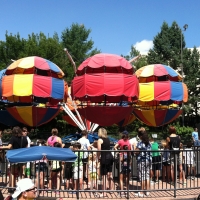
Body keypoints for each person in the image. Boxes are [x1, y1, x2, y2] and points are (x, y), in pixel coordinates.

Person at [1, 126, 28, 190]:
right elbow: (26, 147)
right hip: (23, 157)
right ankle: (22, 188)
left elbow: (9, 147)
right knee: (22, 173)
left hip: (15, 157)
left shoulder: (13, 138)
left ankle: (12, 187)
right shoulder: (24, 138)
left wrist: (2, 147)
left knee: (13, 172)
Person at [97, 127, 114, 198]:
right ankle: (112, 189)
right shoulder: (108, 139)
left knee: (104, 176)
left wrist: (98, 158)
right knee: (110, 174)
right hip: (110, 156)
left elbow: (99, 150)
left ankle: (104, 193)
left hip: (104, 158)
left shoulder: (100, 140)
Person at [135, 130, 152, 197]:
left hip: (142, 161)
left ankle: (141, 192)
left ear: (141, 136)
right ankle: (147, 191)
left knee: (142, 176)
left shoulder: (140, 143)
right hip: (149, 160)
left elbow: (136, 151)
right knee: (147, 175)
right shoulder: (149, 143)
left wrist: (135, 149)